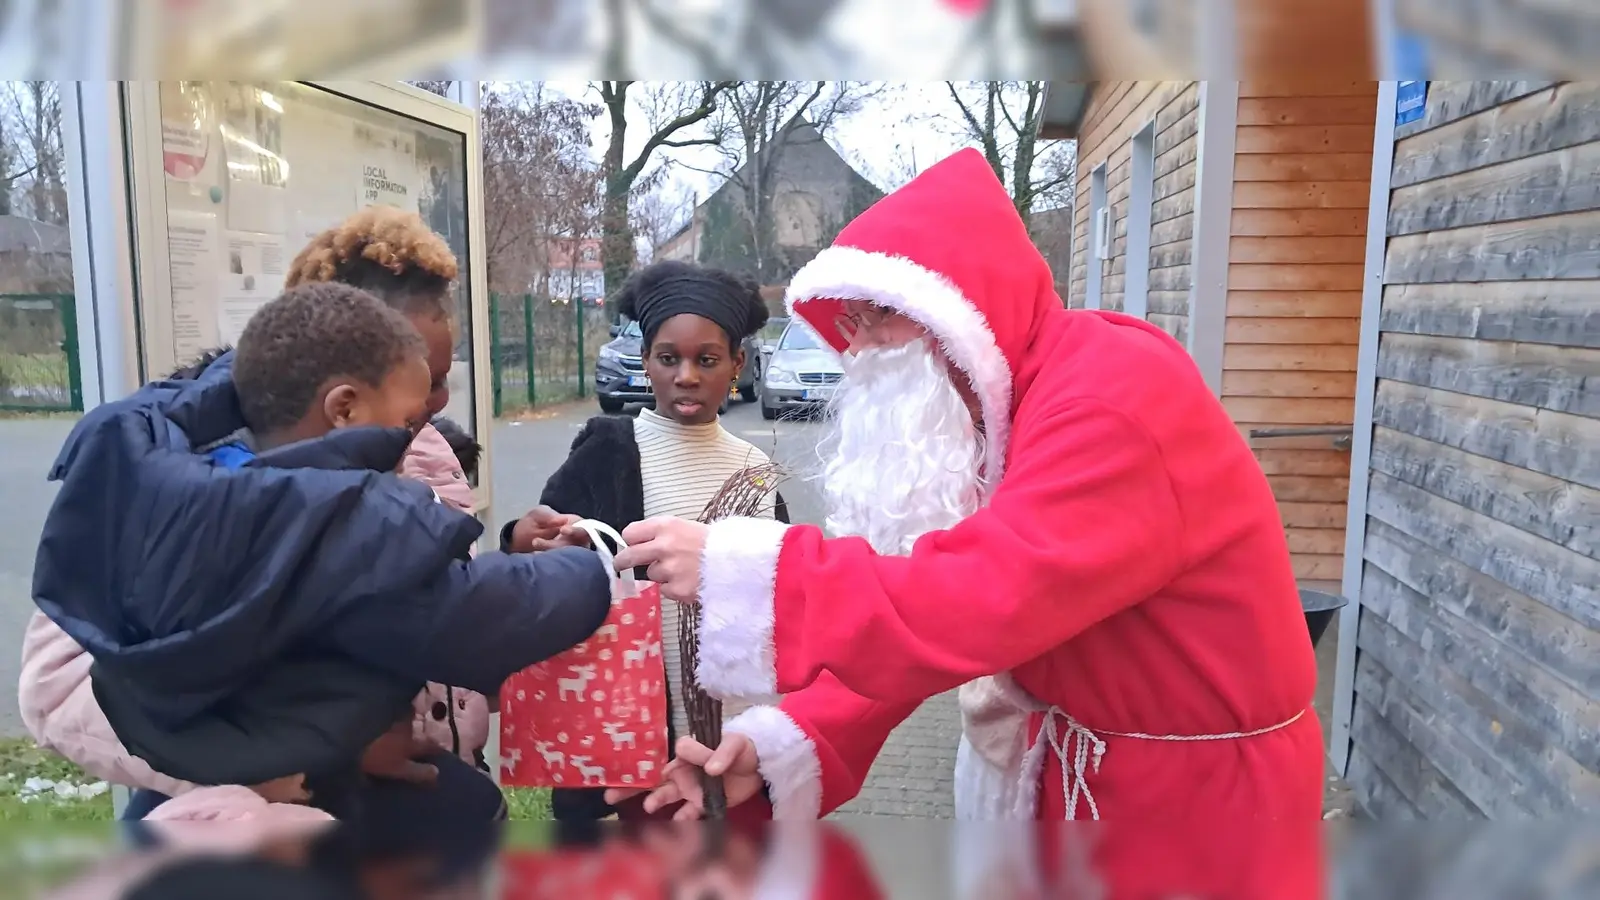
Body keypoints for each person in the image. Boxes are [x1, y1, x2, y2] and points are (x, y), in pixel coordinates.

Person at [603, 150, 1324, 896]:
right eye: (850, 322)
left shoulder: (1109, 398)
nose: (859, 347)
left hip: (1192, 814)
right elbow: (928, 601)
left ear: (949, 307)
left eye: (877, 316)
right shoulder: (1002, 405)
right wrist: (788, 742)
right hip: (1095, 784)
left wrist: (760, 576)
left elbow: (979, 600)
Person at [29, 282, 613, 821]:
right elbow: (466, 614)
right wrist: (589, 573)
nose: (432, 413)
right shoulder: (322, 516)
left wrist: (509, 547)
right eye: (414, 409)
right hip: (283, 792)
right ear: (344, 406)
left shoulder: (177, 473)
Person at [502, 260, 787, 825]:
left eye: (707, 360)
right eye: (668, 358)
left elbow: (778, 594)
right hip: (620, 714)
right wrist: (524, 542)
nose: (686, 375)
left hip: (728, 720)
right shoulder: (609, 448)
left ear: (738, 364)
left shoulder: (756, 471)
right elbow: (547, 555)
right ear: (645, 362)